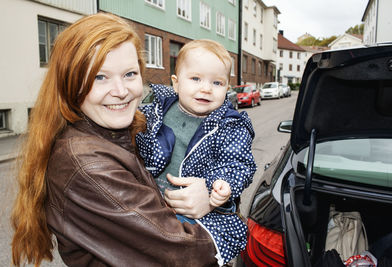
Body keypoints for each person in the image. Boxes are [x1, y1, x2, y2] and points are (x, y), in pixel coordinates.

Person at [11, 13, 219, 267]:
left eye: (130, 74)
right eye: (100, 77)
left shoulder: (120, 131)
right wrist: (222, 209)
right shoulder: (88, 166)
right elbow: (187, 252)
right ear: (72, 84)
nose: (121, 92)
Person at [136, 39, 257, 264]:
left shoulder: (229, 125)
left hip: (198, 215)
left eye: (217, 83)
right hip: (152, 206)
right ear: (176, 83)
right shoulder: (156, 110)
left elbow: (238, 162)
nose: (206, 88)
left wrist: (222, 185)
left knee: (187, 256)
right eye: (195, 79)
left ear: (227, 89)